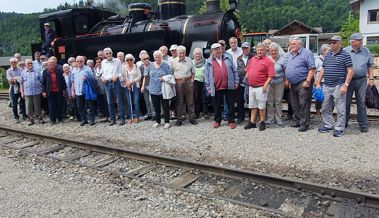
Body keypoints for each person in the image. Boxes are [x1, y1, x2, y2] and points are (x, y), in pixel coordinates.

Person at [316, 36, 353, 137]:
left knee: (340, 108)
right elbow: (323, 69)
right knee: (325, 107)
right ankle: (328, 124)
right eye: (331, 42)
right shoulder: (328, 55)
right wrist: (318, 82)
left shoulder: (345, 55)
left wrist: (345, 85)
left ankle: (339, 128)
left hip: (339, 85)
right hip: (326, 85)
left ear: (339, 43)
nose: (332, 44)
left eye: (334, 42)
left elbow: (350, 71)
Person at [344, 32, 375, 132]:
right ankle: (343, 123)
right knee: (346, 102)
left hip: (361, 79)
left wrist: (371, 79)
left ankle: (363, 125)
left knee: (361, 102)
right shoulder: (345, 51)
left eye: (361, 40)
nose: (362, 42)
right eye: (359, 40)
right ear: (352, 42)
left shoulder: (366, 50)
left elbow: (370, 65)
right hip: (347, 80)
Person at [205, 43, 239, 129]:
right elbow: (206, 75)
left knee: (230, 104)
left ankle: (231, 121)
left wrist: (236, 81)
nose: (219, 51)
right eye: (216, 49)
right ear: (212, 51)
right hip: (216, 86)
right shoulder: (209, 61)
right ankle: (217, 120)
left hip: (229, 84)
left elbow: (234, 70)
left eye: (219, 49)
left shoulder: (228, 58)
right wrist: (208, 87)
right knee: (217, 105)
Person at [285, 36, 316, 132]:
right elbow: (288, 68)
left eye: (294, 44)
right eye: (290, 44)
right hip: (293, 83)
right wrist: (288, 79)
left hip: (303, 82)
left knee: (304, 103)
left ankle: (304, 124)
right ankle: (298, 120)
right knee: (294, 104)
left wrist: (307, 81)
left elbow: (312, 68)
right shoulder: (290, 54)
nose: (292, 45)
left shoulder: (307, 53)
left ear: (300, 44)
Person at [244, 43, 274, 131]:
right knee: (252, 105)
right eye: (258, 50)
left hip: (261, 87)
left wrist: (265, 84)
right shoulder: (252, 59)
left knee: (261, 106)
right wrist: (248, 75)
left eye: (261, 50)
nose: (259, 51)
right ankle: (252, 122)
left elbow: (271, 75)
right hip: (251, 86)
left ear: (265, 51)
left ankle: (262, 122)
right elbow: (247, 70)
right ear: (256, 51)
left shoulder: (268, 61)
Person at [100, 47, 126, 126]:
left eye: (110, 53)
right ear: (104, 54)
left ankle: (122, 119)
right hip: (107, 83)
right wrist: (102, 78)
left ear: (112, 53)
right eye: (107, 53)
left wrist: (117, 77)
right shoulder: (103, 62)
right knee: (109, 102)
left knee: (119, 101)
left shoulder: (117, 61)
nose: (108, 55)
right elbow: (102, 73)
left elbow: (120, 72)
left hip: (116, 82)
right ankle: (112, 119)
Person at [147, 50, 172, 129]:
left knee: (165, 106)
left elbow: (170, 76)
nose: (157, 58)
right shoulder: (150, 65)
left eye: (159, 57)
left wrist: (163, 78)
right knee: (156, 106)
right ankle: (158, 121)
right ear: (153, 57)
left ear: (161, 57)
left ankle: (167, 122)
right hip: (153, 90)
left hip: (163, 89)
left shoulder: (165, 65)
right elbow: (147, 75)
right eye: (155, 57)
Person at [71, 56, 96, 126]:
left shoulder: (87, 69)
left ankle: (91, 119)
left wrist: (87, 78)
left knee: (90, 106)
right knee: (80, 106)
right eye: (77, 61)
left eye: (80, 61)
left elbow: (93, 79)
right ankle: (84, 119)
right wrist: (72, 91)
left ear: (83, 61)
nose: (79, 62)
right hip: (78, 91)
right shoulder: (73, 70)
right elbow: (72, 81)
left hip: (87, 91)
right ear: (76, 62)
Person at [41, 57, 66, 124]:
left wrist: (64, 89)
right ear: (48, 64)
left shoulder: (59, 71)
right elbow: (43, 82)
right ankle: (53, 120)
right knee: (51, 106)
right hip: (50, 91)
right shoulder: (45, 71)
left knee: (59, 105)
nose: (51, 64)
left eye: (53, 63)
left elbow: (63, 81)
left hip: (58, 91)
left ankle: (60, 119)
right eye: (50, 63)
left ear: (55, 64)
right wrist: (43, 91)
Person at [266, 42, 286, 126]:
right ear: (269, 51)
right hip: (269, 82)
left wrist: (286, 80)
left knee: (278, 101)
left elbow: (286, 70)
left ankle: (279, 118)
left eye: (275, 50)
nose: (273, 52)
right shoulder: (267, 59)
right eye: (272, 50)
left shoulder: (282, 59)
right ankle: (270, 118)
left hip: (279, 82)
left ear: (277, 50)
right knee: (270, 101)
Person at [20, 59, 43, 125]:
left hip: (36, 92)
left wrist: (41, 89)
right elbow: (21, 83)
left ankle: (40, 118)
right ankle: (31, 119)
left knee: (37, 106)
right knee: (28, 107)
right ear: (25, 65)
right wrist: (22, 92)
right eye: (28, 63)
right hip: (27, 93)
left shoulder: (36, 71)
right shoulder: (23, 72)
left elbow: (41, 81)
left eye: (31, 63)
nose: (30, 64)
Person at [236, 41, 253, 123]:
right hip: (241, 82)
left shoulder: (253, 57)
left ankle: (251, 117)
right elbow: (238, 71)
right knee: (240, 101)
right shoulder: (238, 58)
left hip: (251, 83)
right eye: (243, 48)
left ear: (249, 48)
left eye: (246, 48)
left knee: (251, 101)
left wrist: (247, 71)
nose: (245, 50)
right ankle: (240, 117)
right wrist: (246, 71)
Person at [122, 54, 142, 123]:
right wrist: (127, 84)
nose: (129, 61)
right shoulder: (124, 67)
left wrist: (132, 82)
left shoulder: (136, 66)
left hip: (135, 86)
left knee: (136, 102)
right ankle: (131, 117)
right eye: (127, 60)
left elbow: (139, 76)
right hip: (127, 86)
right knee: (129, 102)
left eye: (131, 60)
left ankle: (137, 117)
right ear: (126, 60)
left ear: (133, 60)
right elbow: (123, 77)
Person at [6, 58, 26, 122]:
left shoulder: (21, 69)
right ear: (10, 63)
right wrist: (17, 79)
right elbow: (10, 81)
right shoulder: (9, 71)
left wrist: (15, 79)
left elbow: (23, 78)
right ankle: (16, 116)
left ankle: (24, 115)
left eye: (14, 62)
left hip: (21, 88)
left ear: (17, 63)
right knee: (14, 103)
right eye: (12, 62)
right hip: (13, 88)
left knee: (23, 102)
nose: (13, 63)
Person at [314, 44, 331, 117]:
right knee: (319, 98)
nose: (330, 52)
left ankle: (327, 113)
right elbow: (313, 71)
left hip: (328, 81)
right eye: (328, 50)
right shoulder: (318, 60)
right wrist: (315, 81)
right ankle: (318, 113)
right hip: (320, 82)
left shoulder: (330, 59)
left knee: (328, 99)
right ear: (323, 51)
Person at [192, 47, 209, 119]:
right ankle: (197, 113)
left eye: (199, 54)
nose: (197, 56)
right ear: (194, 55)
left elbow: (208, 71)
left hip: (204, 81)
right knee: (196, 98)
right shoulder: (192, 62)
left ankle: (205, 113)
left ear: (201, 54)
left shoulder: (206, 61)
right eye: (196, 54)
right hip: (196, 82)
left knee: (205, 98)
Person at [140, 53, 155, 120]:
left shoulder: (152, 65)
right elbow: (143, 77)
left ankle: (154, 114)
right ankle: (149, 114)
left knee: (151, 100)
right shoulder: (141, 66)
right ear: (142, 60)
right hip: (145, 85)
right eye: (144, 59)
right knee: (147, 101)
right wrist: (142, 86)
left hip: (151, 84)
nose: (146, 60)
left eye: (147, 58)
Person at [94, 57, 109, 122]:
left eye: (99, 62)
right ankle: (103, 116)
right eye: (97, 62)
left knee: (107, 103)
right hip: (98, 90)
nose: (98, 63)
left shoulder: (105, 69)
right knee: (100, 104)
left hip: (105, 89)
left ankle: (108, 115)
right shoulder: (95, 71)